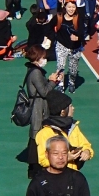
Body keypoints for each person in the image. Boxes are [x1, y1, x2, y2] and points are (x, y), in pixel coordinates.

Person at [22, 136, 94, 196]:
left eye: (64, 153)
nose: (60, 157)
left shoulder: (78, 179)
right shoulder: (37, 183)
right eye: (55, 153)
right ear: (47, 154)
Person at [24, 44, 62, 178]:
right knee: (37, 135)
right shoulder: (36, 72)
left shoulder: (33, 70)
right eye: (43, 57)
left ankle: (34, 166)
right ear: (38, 57)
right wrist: (53, 81)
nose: (45, 60)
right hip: (38, 107)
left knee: (36, 134)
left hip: (38, 106)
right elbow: (44, 91)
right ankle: (35, 167)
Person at [35, 91, 94, 171]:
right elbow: (43, 160)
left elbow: (86, 145)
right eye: (70, 106)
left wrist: (87, 152)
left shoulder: (73, 127)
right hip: (55, 178)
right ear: (63, 112)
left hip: (73, 175)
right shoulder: (44, 134)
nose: (73, 108)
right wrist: (66, 158)